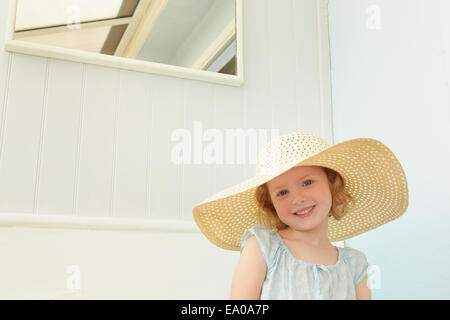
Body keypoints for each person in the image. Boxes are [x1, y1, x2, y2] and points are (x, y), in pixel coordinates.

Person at [192, 132, 409, 300]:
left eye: (307, 182)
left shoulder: (355, 265)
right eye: (282, 192)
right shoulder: (263, 247)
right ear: (271, 203)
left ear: (332, 184)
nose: (297, 198)